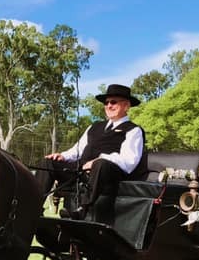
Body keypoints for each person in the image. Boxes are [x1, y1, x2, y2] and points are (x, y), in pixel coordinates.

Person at [34, 83, 146, 221]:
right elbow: (77, 150)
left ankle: (83, 209)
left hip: (107, 177)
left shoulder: (133, 130)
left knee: (101, 164)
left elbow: (129, 161)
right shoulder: (94, 127)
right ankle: (33, 207)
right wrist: (62, 156)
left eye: (113, 102)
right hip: (81, 173)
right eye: (106, 103)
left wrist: (98, 160)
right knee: (48, 162)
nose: (109, 106)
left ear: (126, 105)